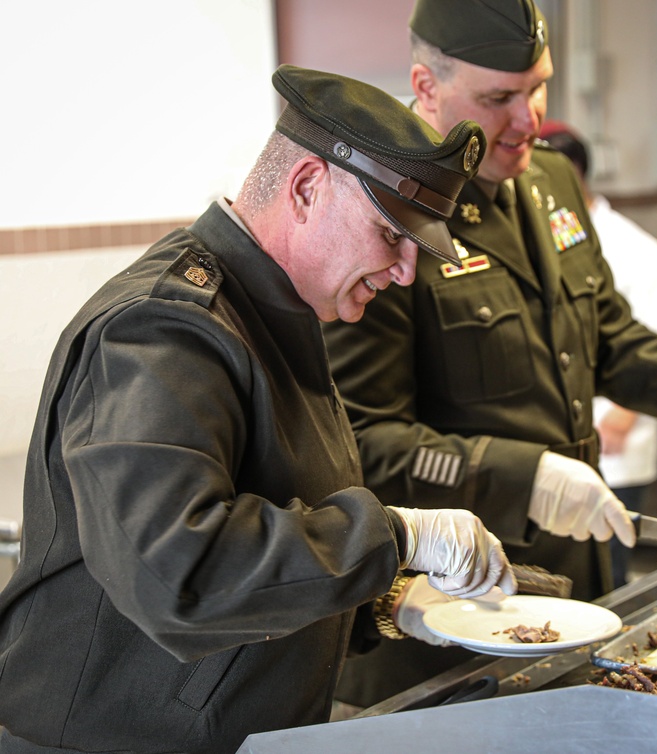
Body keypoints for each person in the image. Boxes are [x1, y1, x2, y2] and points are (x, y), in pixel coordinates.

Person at [0, 65, 517, 754]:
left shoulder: (275, 317)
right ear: (306, 188)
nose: (404, 271)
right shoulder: (165, 330)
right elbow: (181, 572)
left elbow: (276, 511)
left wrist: (381, 602)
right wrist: (394, 537)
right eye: (391, 234)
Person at [323, 0, 657, 707]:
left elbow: (606, 335)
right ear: (425, 86)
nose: (529, 117)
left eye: (538, 85)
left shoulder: (548, 181)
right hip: (452, 617)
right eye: (497, 98)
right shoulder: (386, 208)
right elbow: (360, 442)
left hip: (579, 585)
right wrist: (523, 475)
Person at [539, 120, 657, 587]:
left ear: (574, 175)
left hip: (615, 447)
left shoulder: (636, 249)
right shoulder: (531, 238)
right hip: (552, 452)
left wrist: (622, 416)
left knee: (604, 577)